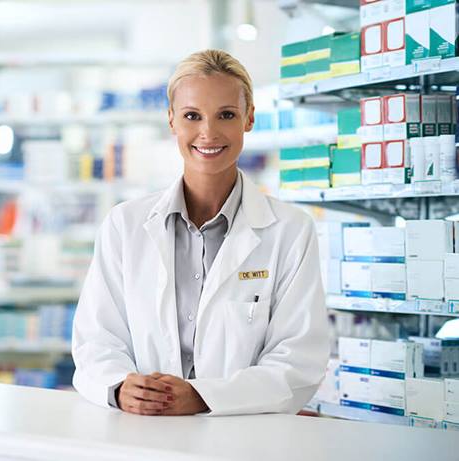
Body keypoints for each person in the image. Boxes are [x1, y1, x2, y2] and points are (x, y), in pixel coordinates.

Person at [71, 49, 329, 416]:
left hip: (244, 439)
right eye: (192, 116)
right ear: (172, 120)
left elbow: (299, 360)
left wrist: (203, 397)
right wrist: (120, 386)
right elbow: (96, 339)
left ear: (249, 118)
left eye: (226, 115)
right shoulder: (125, 224)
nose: (208, 132)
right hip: (143, 432)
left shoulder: (291, 231)